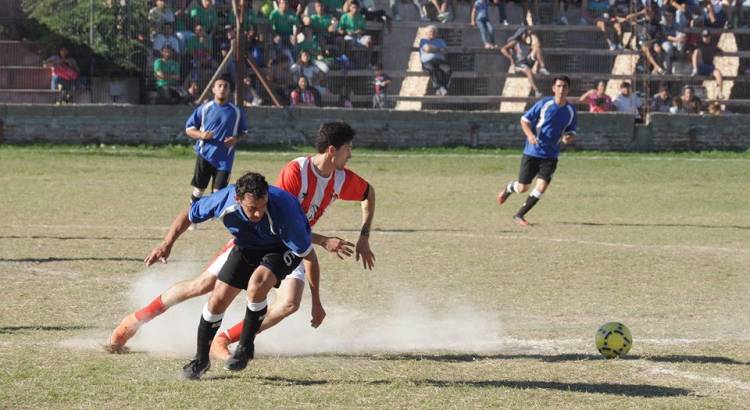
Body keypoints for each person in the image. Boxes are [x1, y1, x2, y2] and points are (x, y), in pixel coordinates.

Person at [107, 122, 376, 357]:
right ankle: (132, 322)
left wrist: (363, 237)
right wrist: (323, 240)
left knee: (290, 304)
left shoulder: (341, 179)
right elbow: (272, 220)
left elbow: (368, 194)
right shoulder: (297, 172)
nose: (350, 154)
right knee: (204, 285)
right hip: (260, 238)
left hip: (292, 246)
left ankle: (225, 339)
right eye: (347, 149)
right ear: (332, 150)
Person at [143, 172, 319, 379]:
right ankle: (200, 360)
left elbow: (309, 256)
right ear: (238, 199)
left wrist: (316, 301)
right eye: (252, 208)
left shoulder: (285, 212)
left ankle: (245, 346)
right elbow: (188, 215)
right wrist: (166, 244)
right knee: (217, 299)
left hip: (282, 248)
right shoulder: (223, 200)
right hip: (247, 246)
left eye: (262, 207)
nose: (258, 214)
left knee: (257, 284)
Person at [496, 75, 577, 226]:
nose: (561, 89)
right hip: (532, 152)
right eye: (558, 86)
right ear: (553, 88)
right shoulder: (544, 104)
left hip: (551, 155)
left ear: (568, 89)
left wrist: (568, 137)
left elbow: (572, 131)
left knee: (541, 186)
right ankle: (509, 188)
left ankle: (519, 215)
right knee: (522, 188)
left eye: (564, 86)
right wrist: (530, 135)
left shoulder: (571, 110)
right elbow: (524, 120)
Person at [184, 74, 249, 217]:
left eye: (226, 86)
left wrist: (235, 138)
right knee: (199, 189)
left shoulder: (236, 112)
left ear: (230, 90)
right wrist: (201, 135)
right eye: (219, 85)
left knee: (218, 193)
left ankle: (209, 215)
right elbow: (188, 129)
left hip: (224, 159)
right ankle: (192, 217)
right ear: (213, 89)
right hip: (205, 155)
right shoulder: (204, 109)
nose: (222, 89)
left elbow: (244, 132)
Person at [500, 27, 549, 98]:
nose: (526, 36)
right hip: (519, 63)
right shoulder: (515, 42)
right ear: (521, 34)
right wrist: (511, 59)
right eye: (525, 34)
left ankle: (542, 67)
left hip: (527, 60)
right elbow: (503, 49)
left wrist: (531, 34)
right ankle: (537, 91)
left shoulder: (526, 43)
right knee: (527, 70)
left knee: (537, 48)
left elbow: (538, 45)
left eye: (526, 34)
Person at [419, 25, 452, 96]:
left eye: (434, 32)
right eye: (430, 32)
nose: (432, 33)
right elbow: (427, 49)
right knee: (432, 69)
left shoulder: (441, 41)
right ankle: (438, 88)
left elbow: (445, 51)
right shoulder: (423, 41)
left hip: (439, 61)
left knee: (448, 70)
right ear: (426, 33)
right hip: (427, 62)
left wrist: (433, 49)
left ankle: (443, 87)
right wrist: (439, 49)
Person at [692, 29, 724, 99]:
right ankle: (695, 70)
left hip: (709, 67)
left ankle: (719, 92)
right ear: (702, 37)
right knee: (696, 51)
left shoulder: (712, 45)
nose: (706, 38)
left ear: (710, 37)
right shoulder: (699, 44)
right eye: (704, 36)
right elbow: (692, 51)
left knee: (718, 73)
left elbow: (721, 52)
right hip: (700, 65)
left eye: (707, 36)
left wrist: (719, 52)